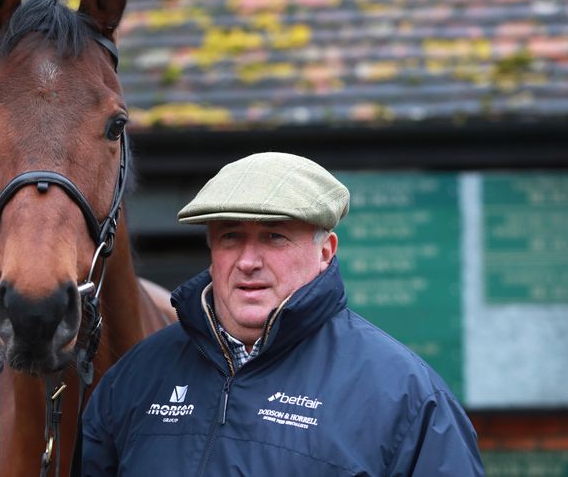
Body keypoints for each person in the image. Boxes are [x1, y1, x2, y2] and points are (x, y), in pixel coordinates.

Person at [82, 152, 485, 476]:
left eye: (274, 236)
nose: (248, 261)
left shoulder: (406, 398)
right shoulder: (136, 378)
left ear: (325, 253)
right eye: (231, 237)